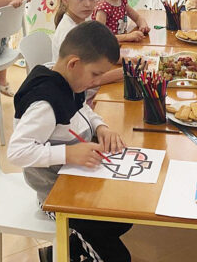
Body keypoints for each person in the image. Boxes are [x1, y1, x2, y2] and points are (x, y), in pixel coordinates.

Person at [8, 21, 132, 262]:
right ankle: (72, 247)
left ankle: (65, 250)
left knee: (123, 217)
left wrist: (101, 126)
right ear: (74, 63)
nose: (97, 81)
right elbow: (16, 152)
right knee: (118, 257)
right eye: (96, 74)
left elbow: (82, 108)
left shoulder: (67, 78)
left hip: (75, 181)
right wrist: (68, 154)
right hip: (55, 196)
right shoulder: (44, 104)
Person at [52, 0, 122, 98]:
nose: (88, 4)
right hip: (78, 97)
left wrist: (126, 60)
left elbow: (95, 54)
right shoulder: (69, 32)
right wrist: (123, 72)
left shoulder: (82, 20)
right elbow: (88, 81)